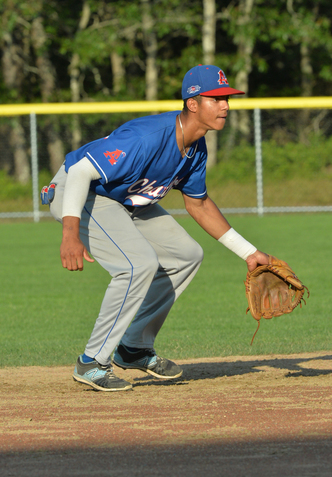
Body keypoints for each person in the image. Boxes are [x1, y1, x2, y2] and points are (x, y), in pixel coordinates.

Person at [42, 64, 269, 392]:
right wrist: (70, 234)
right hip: (78, 193)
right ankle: (92, 361)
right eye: (216, 99)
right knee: (137, 265)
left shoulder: (195, 149)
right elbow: (79, 171)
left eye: (227, 99)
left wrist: (249, 253)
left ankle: (133, 347)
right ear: (193, 103)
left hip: (126, 200)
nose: (225, 106)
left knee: (186, 254)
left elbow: (199, 204)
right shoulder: (146, 138)